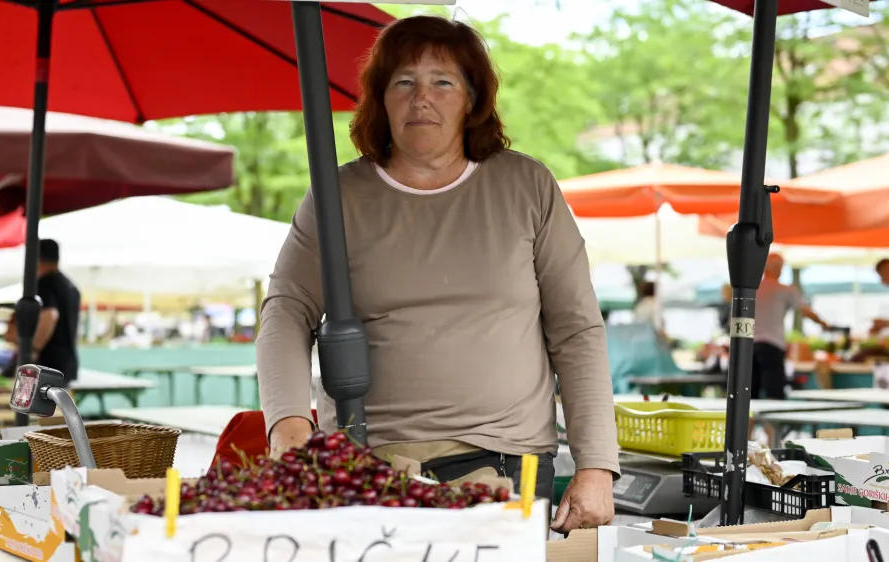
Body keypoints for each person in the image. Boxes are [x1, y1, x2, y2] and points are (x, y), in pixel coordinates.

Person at [256, 16, 618, 532]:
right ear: (381, 98)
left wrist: (597, 465)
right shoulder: (336, 197)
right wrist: (288, 423)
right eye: (403, 81)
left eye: (442, 82)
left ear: (472, 98)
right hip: (369, 467)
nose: (421, 97)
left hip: (508, 465)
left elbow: (577, 330)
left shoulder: (527, 186)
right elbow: (286, 312)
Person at [753, 253, 829, 399]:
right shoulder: (786, 290)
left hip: (749, 345)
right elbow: (804, 311)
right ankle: (772, 423)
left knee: (749, 394)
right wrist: (823, 324)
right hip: (772, 344)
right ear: (779, 269)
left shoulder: (753, 289)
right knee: (774, 393)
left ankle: (747, 423)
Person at [5, 239, 81, 383]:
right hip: (65, 363)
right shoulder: (70, 287)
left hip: (47, 364)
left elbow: (50, 315)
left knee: (38, 404)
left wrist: (33, 349)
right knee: (58, 404)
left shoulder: (45, 283)